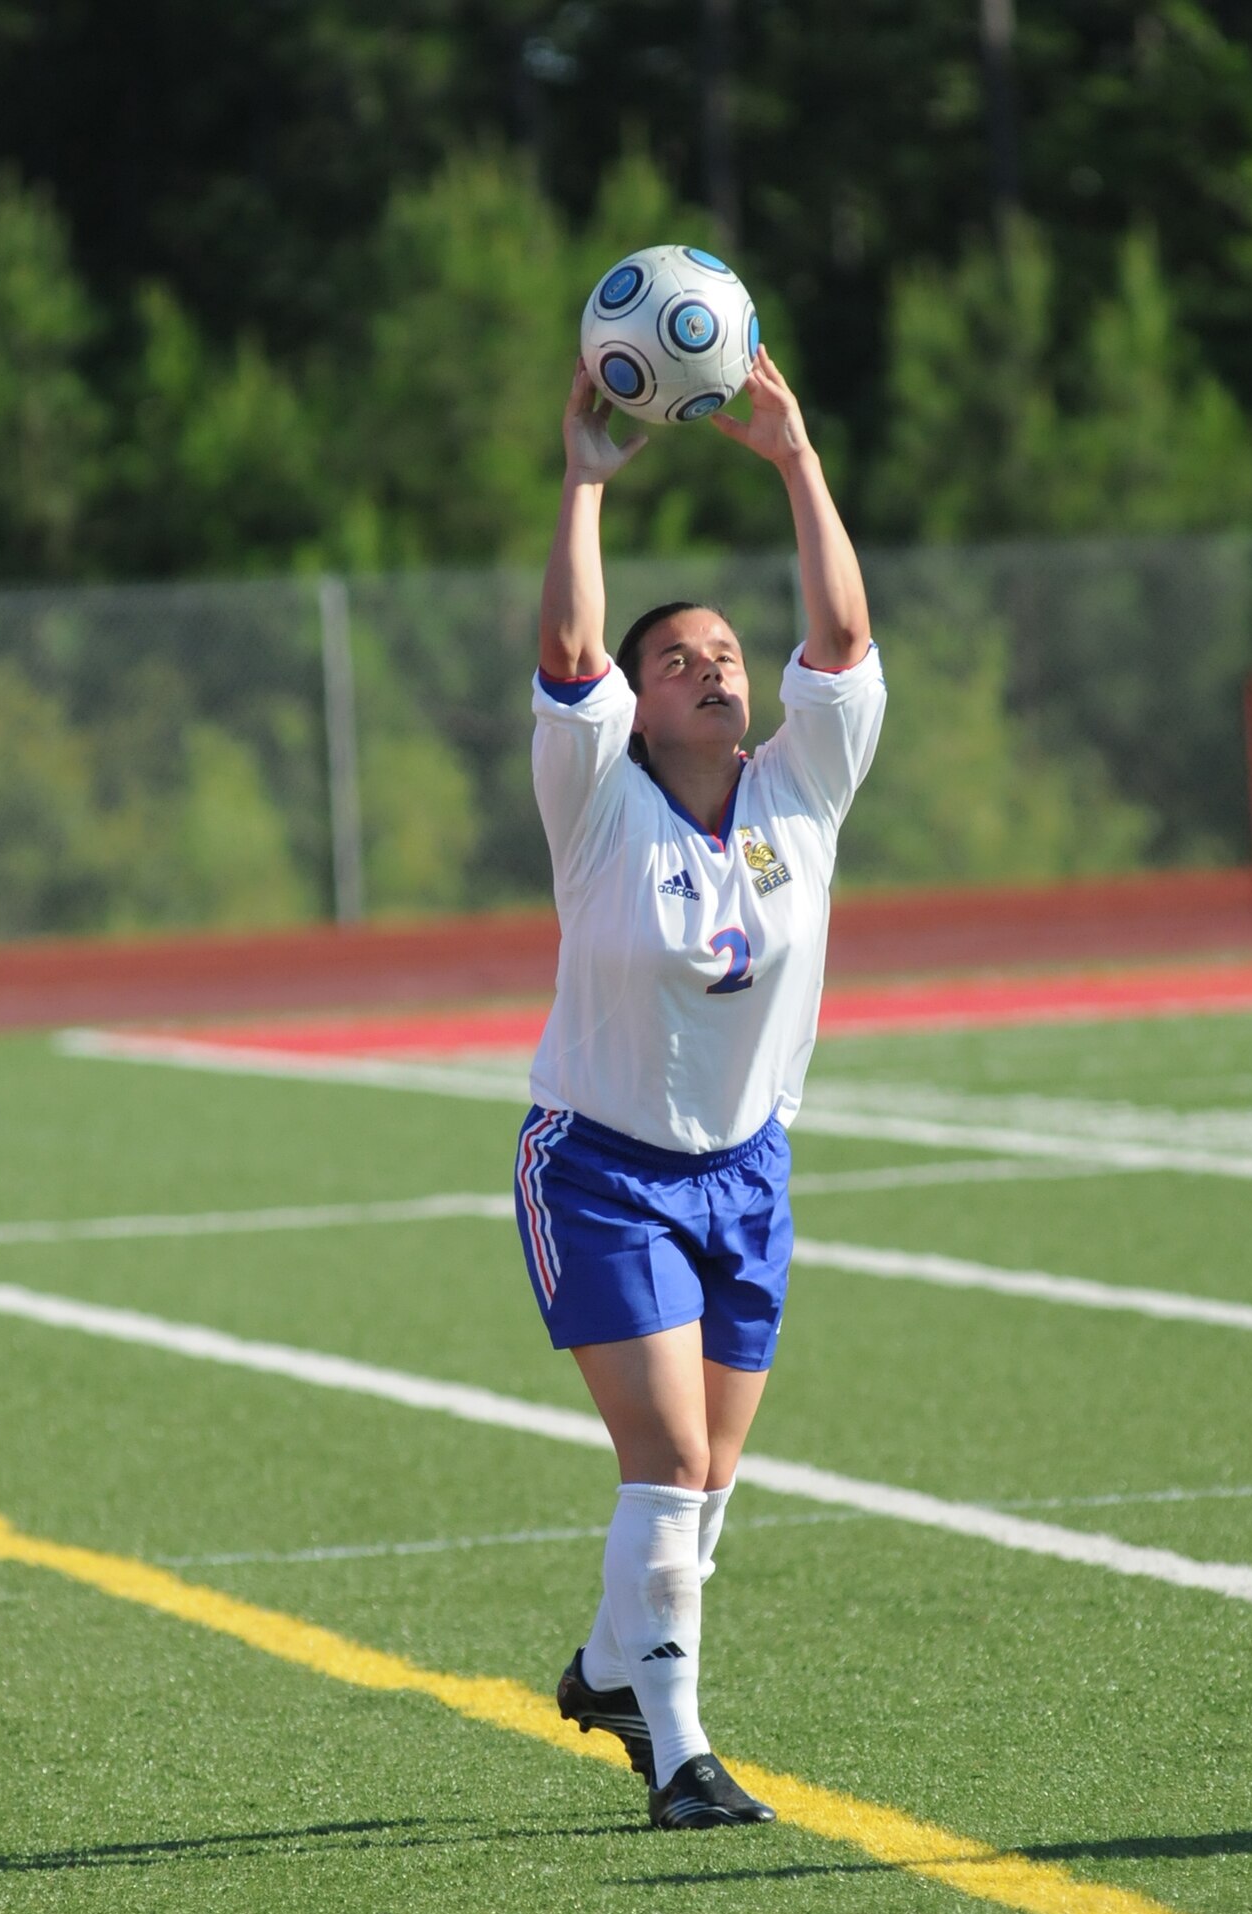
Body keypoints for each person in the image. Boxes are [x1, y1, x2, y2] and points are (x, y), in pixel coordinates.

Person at [515, 345, 885, 1830]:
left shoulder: (803, 790)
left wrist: (793, 458)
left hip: (748, 1166)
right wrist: (584, 485)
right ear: (638, 703)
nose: (714, 665)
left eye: (726, 651)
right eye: (677, 660)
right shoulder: (596, 804)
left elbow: (844, 636)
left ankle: (615, 1662)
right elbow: (564, 649)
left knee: (712, 1473)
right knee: (665, 1457)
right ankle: (676, 1752)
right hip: (601, 1165)